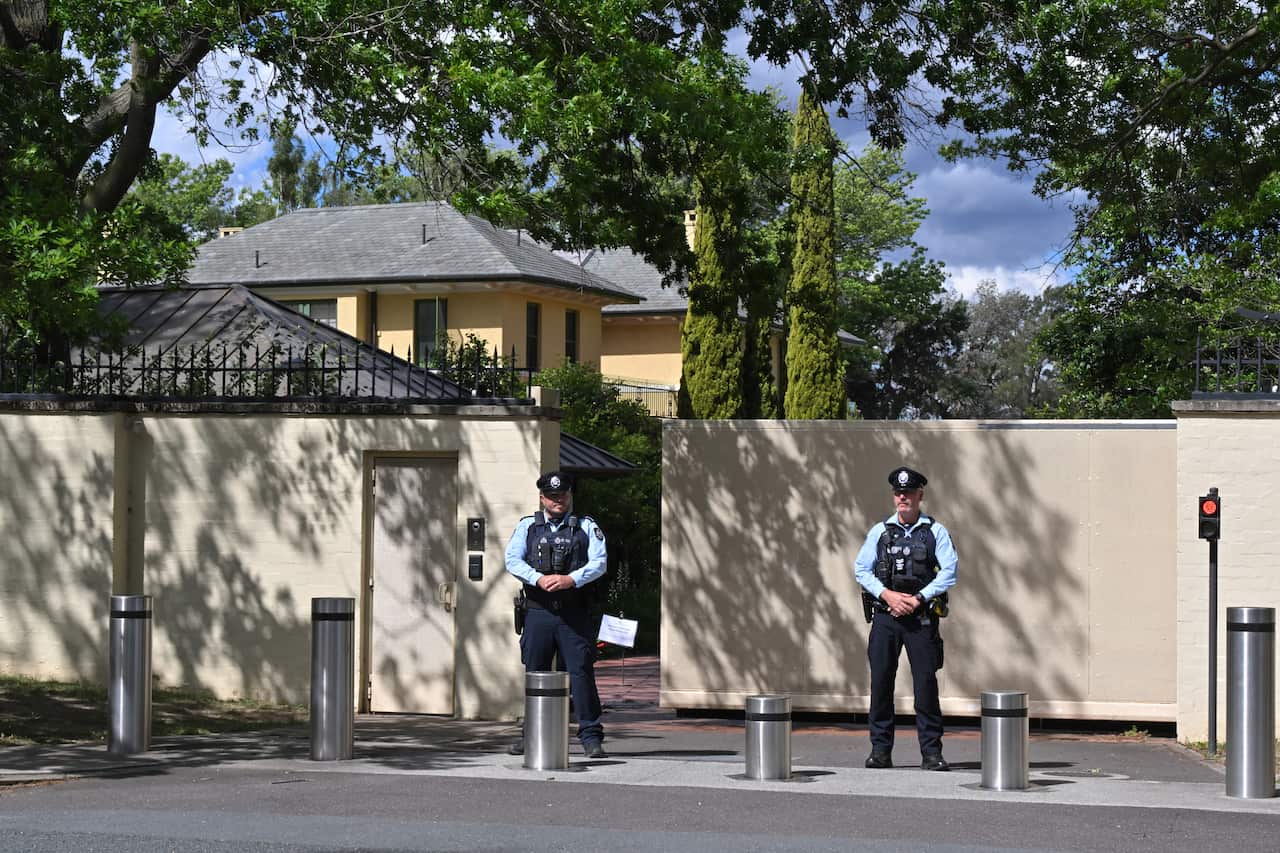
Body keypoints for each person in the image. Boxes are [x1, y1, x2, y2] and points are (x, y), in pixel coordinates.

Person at [853, 466, 958, 771]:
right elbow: (862, 569)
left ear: (919, 496)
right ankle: (880, 752)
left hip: (920, 618)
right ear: (894, 496)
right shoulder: (880, 532)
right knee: (881, 684)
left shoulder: (935, 532)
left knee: (925, 685)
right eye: (899, 493)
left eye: (909, 492)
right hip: (886, 618)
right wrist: (888, 596)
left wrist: (917, 599)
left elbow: (950, 571)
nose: (903, 497)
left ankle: (931, 753)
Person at [504, 471, 608, 758]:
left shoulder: (586, 526)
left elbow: (599, 562)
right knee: (535, 674)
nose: (557, 500)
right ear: (542, 498)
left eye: (562, 495)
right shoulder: (528, 526)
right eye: (552, 497)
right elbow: (512, 559)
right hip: (538, 613)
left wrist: (570, 579)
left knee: (581, 674)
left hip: (574, 613)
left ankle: (591, 737)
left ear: (569, 495)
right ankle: (531, 735)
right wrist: (537, 578)